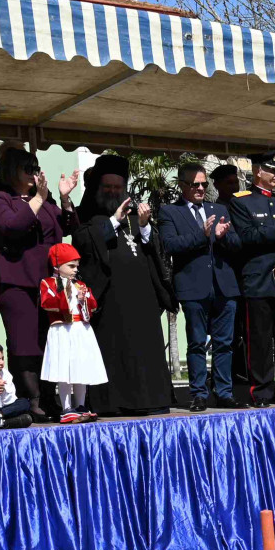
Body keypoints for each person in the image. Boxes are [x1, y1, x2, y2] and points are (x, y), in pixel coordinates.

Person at [73, 159, 174, 417]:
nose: (113, 192)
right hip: (111, 301)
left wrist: (145, 227)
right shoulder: (90, 217)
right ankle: (115, 403)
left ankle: (152, 398)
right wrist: (114, 222)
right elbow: (84, 244)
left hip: (143, 299)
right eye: (107, 187)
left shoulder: (134, 218)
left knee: (145, 350)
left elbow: (154, 249)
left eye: (118, 187)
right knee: (116, 352)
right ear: (98, 188)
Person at [0, 147, 75, 420]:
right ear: (12, 172)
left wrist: (65, 199)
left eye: (36, 167)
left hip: (47, 280)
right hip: (16, 278)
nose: (34, 173)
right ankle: (30, 398)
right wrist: (38, 200)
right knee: (24, 342)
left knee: (50, 340)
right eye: (27, 168)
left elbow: (66, 226)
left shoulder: (44, 200)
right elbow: (12, 227)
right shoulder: (0, 198)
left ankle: (49, 396)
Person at [161, 160, 240, 412]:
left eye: (204, 184)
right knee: (196, 342)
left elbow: (238, 244)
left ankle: (225, 392)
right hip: (193, 286)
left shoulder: (219, 208)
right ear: (182, 185)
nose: (201, 188)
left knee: (224, 343)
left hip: (224, 285)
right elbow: (170, 245)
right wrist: (203, 235)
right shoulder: (169, 212)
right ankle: (198, 394)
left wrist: (224, 236)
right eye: (195, 184)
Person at [228, 154, 275, 406]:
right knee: (260, 340)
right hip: (259, 278)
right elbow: (247, 236)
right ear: (258, 171)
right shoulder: (242, 202)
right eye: (272, 170)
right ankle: (261, 390)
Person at [39, 243, 106, 424]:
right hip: (62, 330)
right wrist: (66, 294)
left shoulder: (80, 284)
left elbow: (92, 305)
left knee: (80, 367)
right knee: (64, 369)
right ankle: (66, 407)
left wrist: (84, 299)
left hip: (80, 330)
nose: (75, 270)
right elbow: (47, 303)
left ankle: (81, 405)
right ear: (57, 265)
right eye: (71, 265)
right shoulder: (49, 283)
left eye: (77, 266)